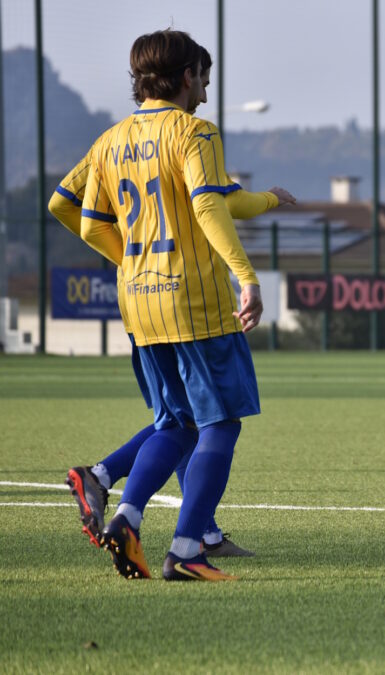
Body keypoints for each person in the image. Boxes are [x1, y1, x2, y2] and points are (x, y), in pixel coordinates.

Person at [54, 45, 295, 558]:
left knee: (177, 422)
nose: (205, 92)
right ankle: (188, 548)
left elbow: (73, 212)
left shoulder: (110, 140)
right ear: (186, 76)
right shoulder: (194, 133)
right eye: (203, 79)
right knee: (219, 422)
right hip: (194, 300)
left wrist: (133, 261)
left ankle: (126, 512)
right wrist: (246, 276)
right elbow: (208, 204)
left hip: (139, 303)